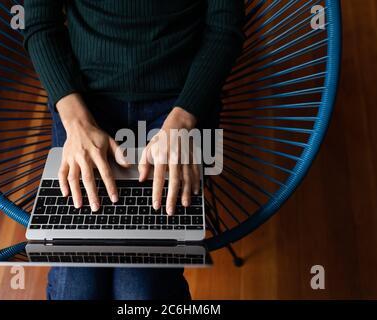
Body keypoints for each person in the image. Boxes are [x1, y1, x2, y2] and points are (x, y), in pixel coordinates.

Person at [23, 0, 245, 300]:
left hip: (179, 105)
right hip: (84, 103)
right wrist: (76, 123)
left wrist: (183, 121)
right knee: (76, 289)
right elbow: (39, 23)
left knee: (141, 291)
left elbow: (224, 28)